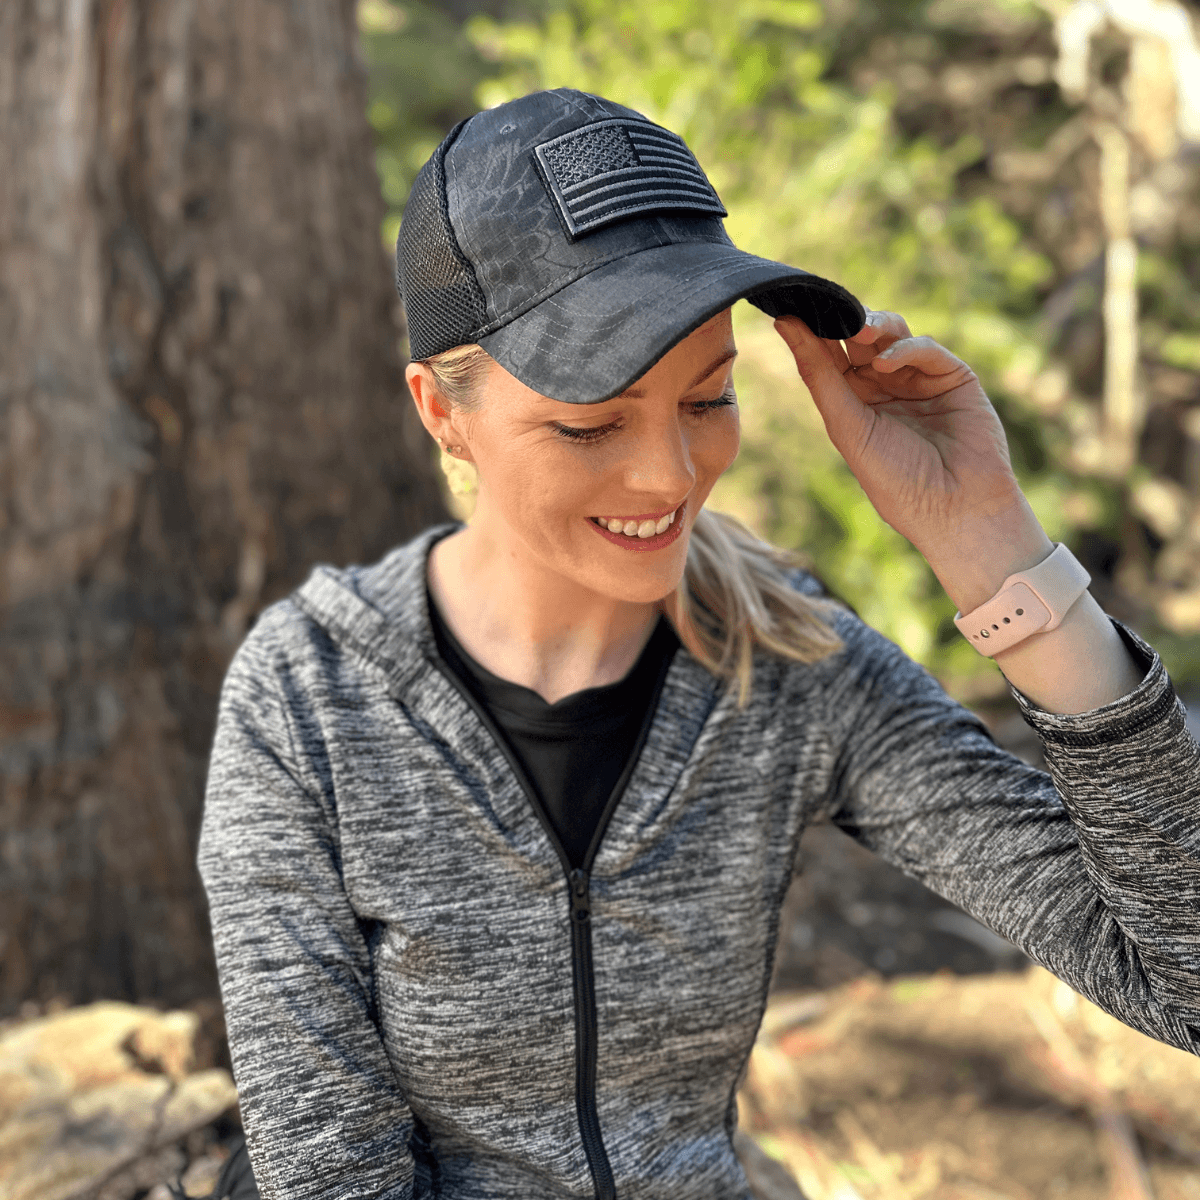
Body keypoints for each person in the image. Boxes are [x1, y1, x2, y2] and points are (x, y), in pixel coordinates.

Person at [196, 88, 1200, 1200]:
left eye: (708, 398)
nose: (671, 476)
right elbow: (329, 1173)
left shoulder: (793, 665)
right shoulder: (310, 694)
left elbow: (1185, 980)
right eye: (590, 423)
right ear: (442, 412)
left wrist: (998, 555)